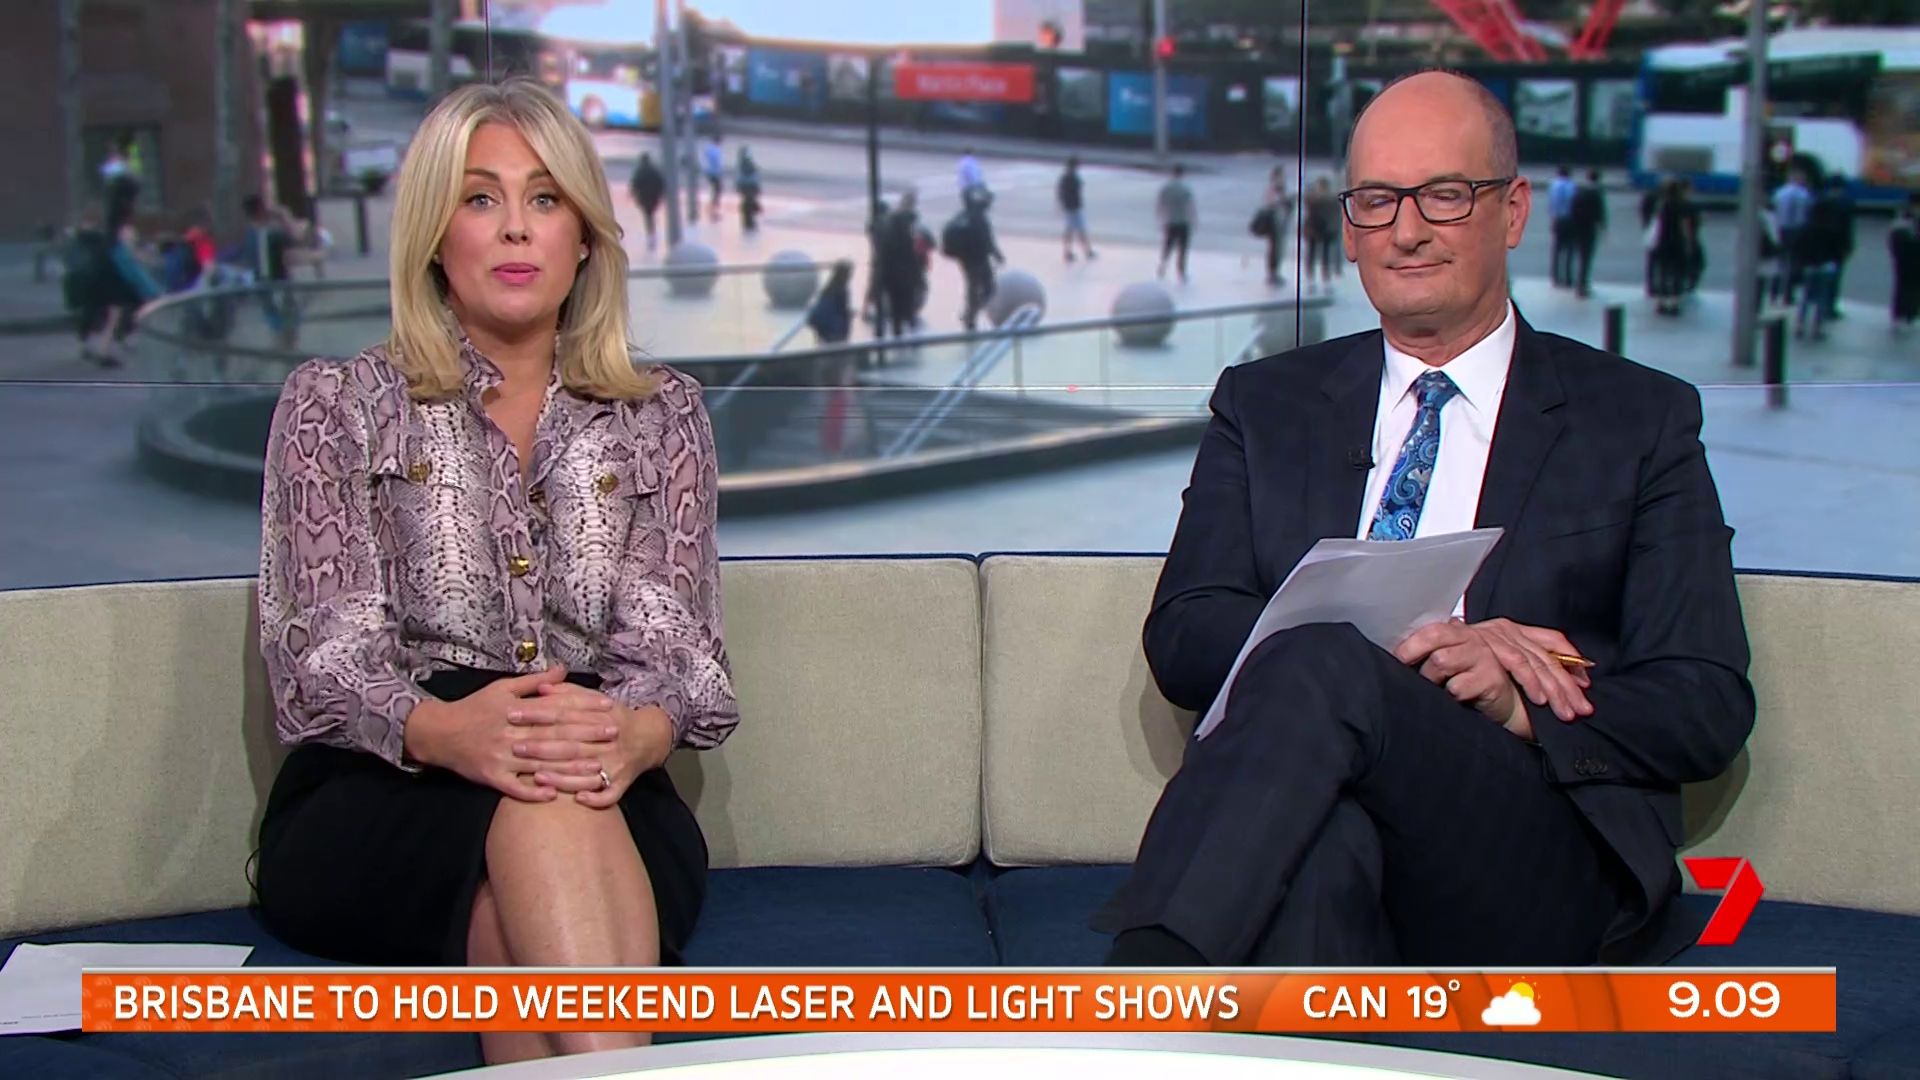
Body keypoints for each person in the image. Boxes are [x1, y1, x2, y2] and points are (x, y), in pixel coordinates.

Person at [1098, 69, 1753, 970]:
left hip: (1533, 844)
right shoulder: (1265, 404)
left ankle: (1139, 991)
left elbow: (1705, 701)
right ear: (1348, 230)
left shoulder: (1637, 419)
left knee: (1325, 660)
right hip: (1325, 809)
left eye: (1444, 195)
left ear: (1512, 211)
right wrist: (1385, 644)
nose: (1406, 231)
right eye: (1376, 201)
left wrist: (1520, 693)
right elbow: (1184, 634)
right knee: (1323, 845)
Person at [252, 78, 738, 1065]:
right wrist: (445, 729)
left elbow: (680, 652)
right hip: (383, 788)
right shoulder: (337, 403)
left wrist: (633, 734)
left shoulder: (662, 413)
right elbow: (320, 662)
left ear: (584, 235)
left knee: (533, 839)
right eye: (481, 198)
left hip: (603, 777)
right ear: (436, 233)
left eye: (544, 198)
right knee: (537, 796)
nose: (516, 227)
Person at [944, 187, 1004, 333]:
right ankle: (970, 316)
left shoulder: (965, 216)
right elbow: (987, 240)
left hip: (968, 258)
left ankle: (970, 314)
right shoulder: (979, 218)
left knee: (974, 287)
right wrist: (997, 255)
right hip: (978, 259)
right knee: (984, 288)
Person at [1565, 168, 1606, 299]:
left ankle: (1576, 282)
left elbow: (1572, 209)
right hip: (1589, 229)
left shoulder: (1579, 191)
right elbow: (1601, 213)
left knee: (1578, 255)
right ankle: (1583, 284)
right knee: (1586, 258)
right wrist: (1603, 227)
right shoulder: (1597, 193)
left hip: (1577, 228)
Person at [1256, 165, 1295, 287]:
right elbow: (1272, 203)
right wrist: (1286, 201)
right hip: (1275, 222)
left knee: (1278, 249)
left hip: (1281, 221)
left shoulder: (1281, 188)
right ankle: (1273, 273)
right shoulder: (1274, 188)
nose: (1283, 178)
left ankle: (1275, 272)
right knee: (1275, 249)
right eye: (1281, 176)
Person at [1156, 163, 1195, 283]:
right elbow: (1190, 206)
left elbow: (1160, 204)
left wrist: (1161, 218)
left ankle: (1163, 266)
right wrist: (1193, 220)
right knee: (1182, 248)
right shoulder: (1185, 188)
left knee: (1168, 245)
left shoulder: (1166, 188)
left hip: (1170, 221)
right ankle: (1181, 271)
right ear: (1182, 174)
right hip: (1183, 221)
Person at [1302, 177, 1341, 293]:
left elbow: (1308, 202)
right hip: (1323, 230)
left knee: (1314, 255)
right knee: (1323, 256)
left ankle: (1313, 280)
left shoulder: (1314, 198)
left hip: (1316, 229)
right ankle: (1323, 280)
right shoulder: (1332, 199)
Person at [1890, 195, 1919, 333]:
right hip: (1908, 258)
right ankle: (1905, 314)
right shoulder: (1906, 219)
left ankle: (1906, 314)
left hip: (1907, 258)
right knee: (1907, 287)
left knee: (1908, 287)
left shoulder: (1903, 218)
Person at [1058, 156, 1096, 262]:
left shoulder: (1066, 177)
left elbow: (1061, 192)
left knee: (1070, 230)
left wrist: (1063, 205)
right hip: (1074, 207)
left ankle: (1068, 252)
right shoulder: (1071, 177)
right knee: (1080, 230)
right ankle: (1087, 251)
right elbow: (1074, 190)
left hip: (1070, 207)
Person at [1547, 165, 1576, 288]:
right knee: (1569, 249)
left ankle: (1555, 277)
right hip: (1569, 219)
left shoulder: (1554, 185)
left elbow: (1551, 204)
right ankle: (1568, 277)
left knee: (1556, 249)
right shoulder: (1572, 186)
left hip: (1558, 219)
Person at [629, 153, 665, 250]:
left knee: (648, 215)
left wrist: (633, 194)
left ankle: (651, 233)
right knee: (650, 214)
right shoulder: (654, 170)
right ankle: (652, 232)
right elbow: (661, 183)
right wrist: (661, 195)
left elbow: (635, 184)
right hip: (653, 196)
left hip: (644, 197)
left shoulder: (640, 171)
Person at [735, 146, 762, 232]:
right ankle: (751, 222)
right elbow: (754, 175)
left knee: (747, 203)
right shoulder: (750, 163)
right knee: (750, 203)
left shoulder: (741, 164)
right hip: (751, 185)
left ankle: (748, 223)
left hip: (745, 186)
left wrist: (738, 186)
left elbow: (739, 176)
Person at [701, 134, 725, 223]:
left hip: (710, 172)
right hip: (715, 173)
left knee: (716, 189)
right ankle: (714, 207)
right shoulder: (715, 150)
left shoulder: (709, 148)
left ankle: (713, 205)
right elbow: (717, 162)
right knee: (717, 190)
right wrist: (720, 171)